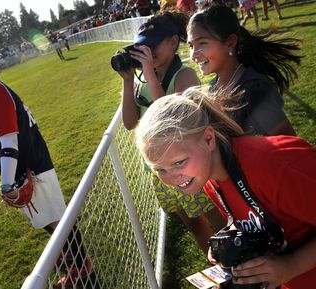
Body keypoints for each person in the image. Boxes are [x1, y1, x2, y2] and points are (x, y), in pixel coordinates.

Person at [135, 89, 316, 289]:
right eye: (159, 169)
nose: (171, 177)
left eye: (179, 162)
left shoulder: (274, 165)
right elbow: (255, 215)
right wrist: (228, 240)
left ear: (209, 139)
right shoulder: (211, 178)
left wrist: (291, 266)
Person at [0, 42, 91, 288]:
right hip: (28, 167)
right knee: (49, 219)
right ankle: (69, 257)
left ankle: (82, 268)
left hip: (30, 169)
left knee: (56, 220)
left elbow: (9, 140)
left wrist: (6, 183)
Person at [117, 11, 225, 253]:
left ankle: (240, 258)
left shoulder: (184, 75)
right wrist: (127, 80)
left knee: (219, 220)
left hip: (187, 164)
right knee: (193, 224)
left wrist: (148, 75)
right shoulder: (142, 80)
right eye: (142, 47)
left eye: (153, 45)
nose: (148, 52)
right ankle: (219, 264)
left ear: (174, 42)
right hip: (161, 170)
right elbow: (129, 122)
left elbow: (171, 117)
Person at [187, 2, 301, 136]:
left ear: (230, 43)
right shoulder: (213, 87)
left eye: (202, 43)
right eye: (190, 46)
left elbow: (290, 147)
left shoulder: (253, 91)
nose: (193, 54)